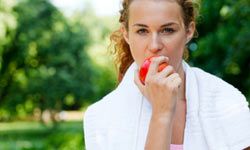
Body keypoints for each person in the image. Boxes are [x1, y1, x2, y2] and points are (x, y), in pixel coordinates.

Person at [84, 0, 250, 149]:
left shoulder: (227, 101)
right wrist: (161, 114)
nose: (154, 45)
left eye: (168, 30)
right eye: (142, 31)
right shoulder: (100, 118)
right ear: (126, 34)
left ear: (189, 31)